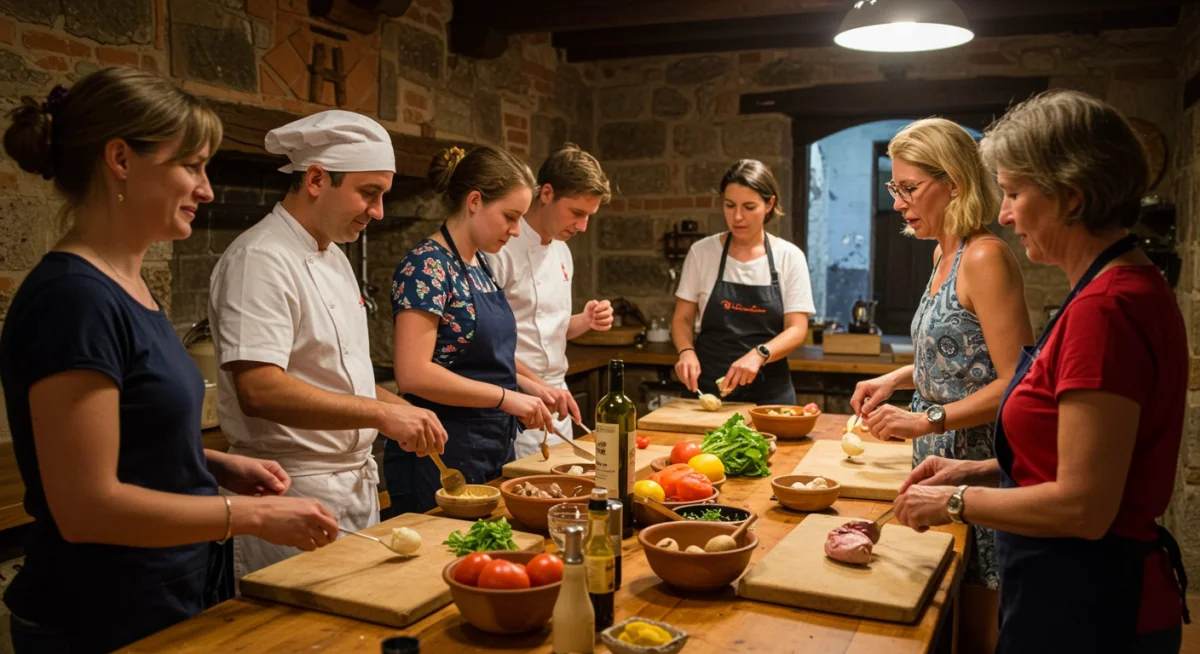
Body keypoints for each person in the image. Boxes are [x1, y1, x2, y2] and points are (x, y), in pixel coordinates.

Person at [0, 68, 339, 654]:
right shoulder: (73, 299)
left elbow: (124, 432)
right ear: (121, 160)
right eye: (192, 166)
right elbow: (86, 507)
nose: (207, 189)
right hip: (101, 614)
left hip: (165, 593)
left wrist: (204, 463)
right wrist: (249, 517)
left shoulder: (128, 283)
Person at [893, 90, 1189, 654]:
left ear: (1071, 197)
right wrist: (975, 471)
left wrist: (952, 503)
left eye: (1013, 193)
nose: (1003, 214)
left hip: (1093, 603)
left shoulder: (1108, 310)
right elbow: (1068, 460)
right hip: (1074, 591)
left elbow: (1083, 505)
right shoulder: (1112, 290)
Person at [209, 110, 447, 577]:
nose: (377, 212)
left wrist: (399, 408)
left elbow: (342, 375)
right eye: (369, 193)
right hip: (288, 491)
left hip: (351, 487)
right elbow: (260, 390)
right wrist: (383, 414)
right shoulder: (260, 258)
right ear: (317, 178)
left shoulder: (333, 255)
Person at [848, 118, 1034, 651]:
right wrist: (896, 376)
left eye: (910, 188)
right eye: (894, 187)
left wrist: (925, 418)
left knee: (976, 632)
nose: (900, 202)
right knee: (937, 623)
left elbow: (1015, 383)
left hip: (978, 465)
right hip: (935, 460)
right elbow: (955, 356)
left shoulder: (985, 257)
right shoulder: (940, 255)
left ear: (954, 182)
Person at [388, 146, 555, 514]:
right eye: (510, 217)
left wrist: (532, 387)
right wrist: (506, 398)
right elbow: (413, 374)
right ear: (475, 201)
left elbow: (485, 353)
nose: (515, 231)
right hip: (441, 452)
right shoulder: (425, 266)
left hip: (491, 443)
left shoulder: (480, 263)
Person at [490, 143, 614, 458]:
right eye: (577, 213)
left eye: (589, 216)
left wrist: (584, 321)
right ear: (546, 193)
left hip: (558, 395)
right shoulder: (500, 248)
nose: (583, 226)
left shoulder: (562, 250)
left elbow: (549, 329)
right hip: (516, 396)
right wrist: (537, 387)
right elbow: (490, 343)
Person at [672, 159, 814, 404]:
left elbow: (797, 329)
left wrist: (760, 353)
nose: (737, 216)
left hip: (769, 395)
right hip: (707, 390)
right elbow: (682, 318)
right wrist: (686, 352)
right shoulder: (701, 253)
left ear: (769, 204)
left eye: (749, 207)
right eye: (730, 205)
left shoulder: (789, 257)